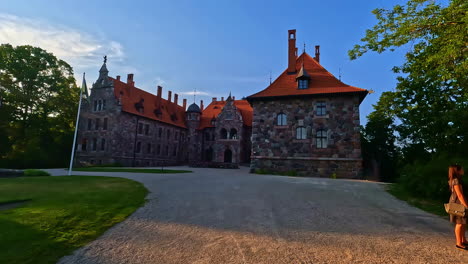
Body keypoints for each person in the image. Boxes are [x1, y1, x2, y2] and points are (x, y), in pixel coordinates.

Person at [448, 164, 468, 250]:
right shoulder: (456, 180)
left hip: (459, 202)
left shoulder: (456, 179)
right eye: (462, 169)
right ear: (458, 170)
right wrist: (466, 206)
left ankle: (463, 240)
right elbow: (459, 195)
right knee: (459, 223)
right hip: (458, 204)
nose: (463, 170)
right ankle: (459, 243)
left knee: (463, 222)